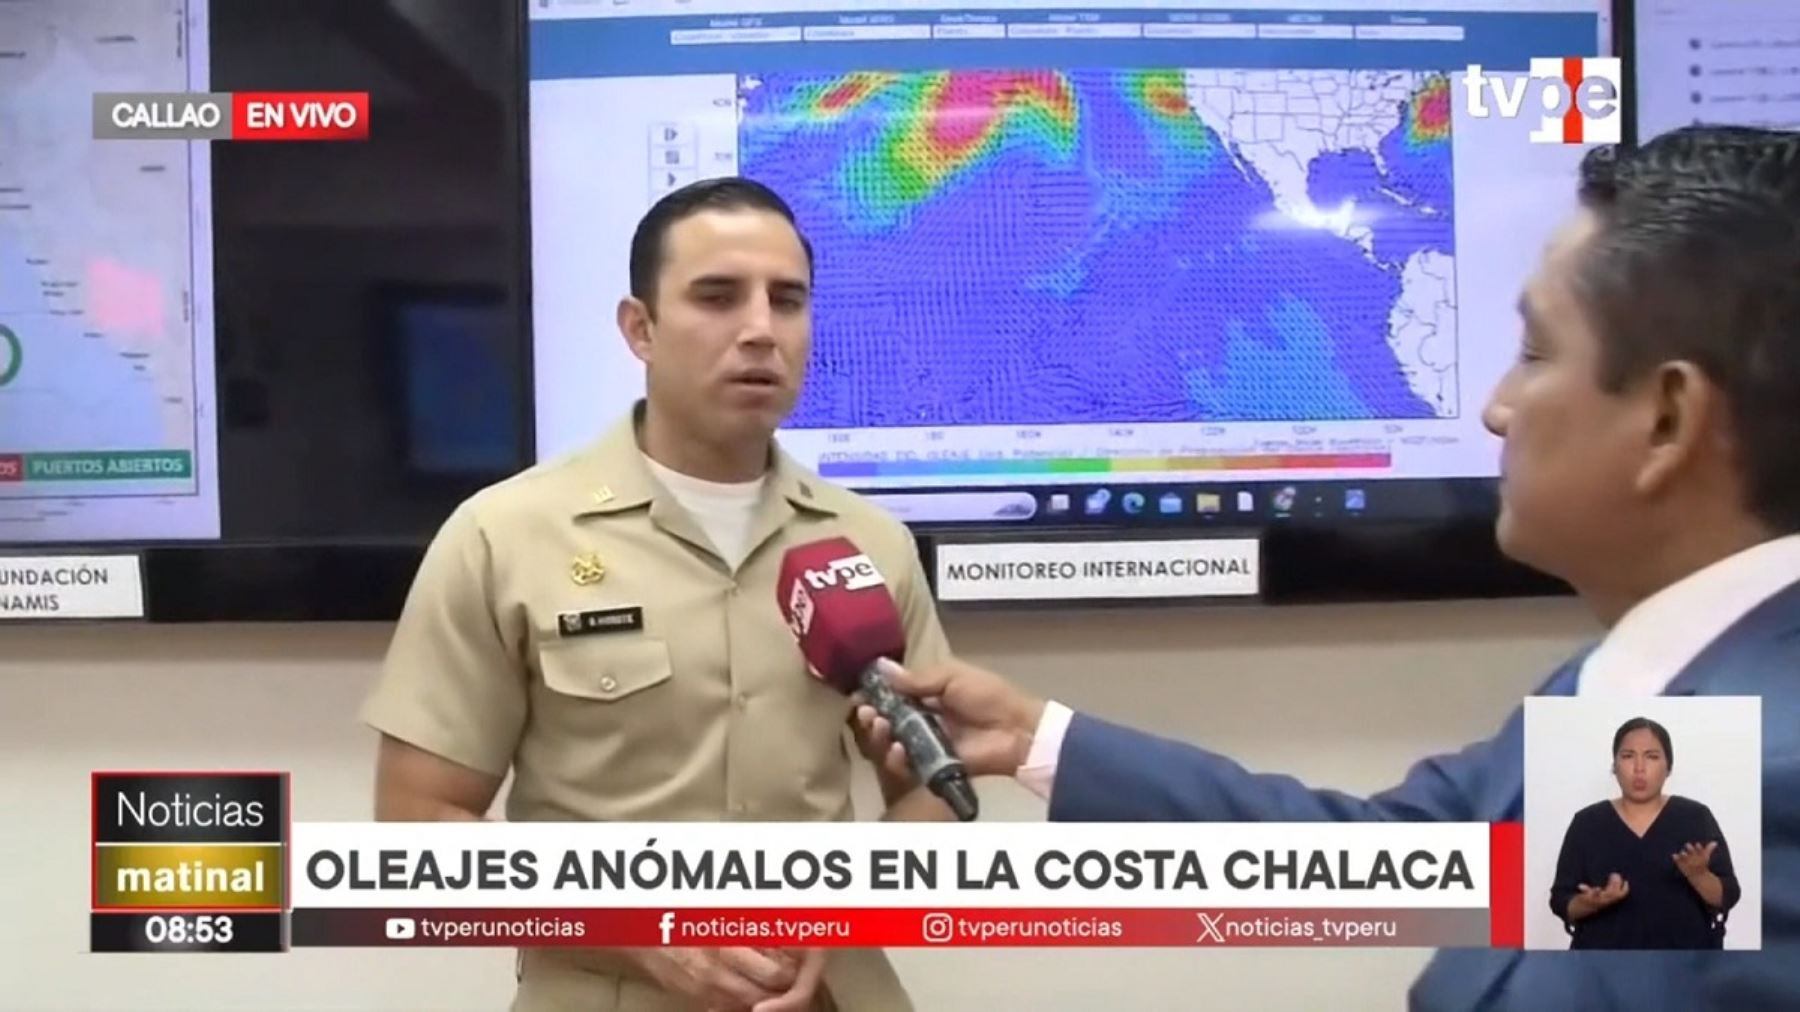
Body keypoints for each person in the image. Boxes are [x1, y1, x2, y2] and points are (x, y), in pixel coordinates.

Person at [864, 125, 1800, 1008]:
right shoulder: (1669, 694)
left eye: (1534, 352)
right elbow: (1396, 857)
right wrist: (1038, 740)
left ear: (1669, 419)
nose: (1498, 409)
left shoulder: (1768, 779)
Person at [362, 177, 950, 1012]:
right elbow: (417, 825)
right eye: (717, 297)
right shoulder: (505, 535)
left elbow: (937, 789)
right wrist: (637, 927)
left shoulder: (871, 545)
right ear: (640, 327)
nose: (759, 331)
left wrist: (845, 911)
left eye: (787, 301)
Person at [1550, 717, 1741, 950]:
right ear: (1615, 766)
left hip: (1684, 969)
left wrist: (1699, 875)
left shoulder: (1695, 817)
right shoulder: (1587, 822)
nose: (1639, 768)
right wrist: (1590, 903)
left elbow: (1727, 896)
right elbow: (1561, 901)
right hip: (1602, 971)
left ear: (1668, 767)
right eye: (1628, 756)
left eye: (1651, 756)